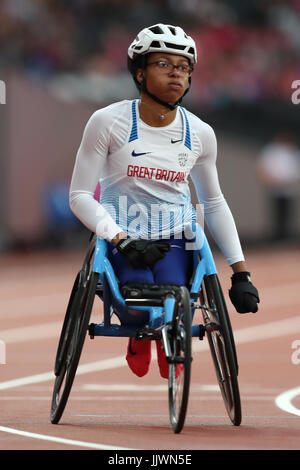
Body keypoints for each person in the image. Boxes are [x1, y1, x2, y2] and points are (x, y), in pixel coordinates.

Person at [69, 24, 260, 379]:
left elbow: (214, 203)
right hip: (122, 237)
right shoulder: (108, 122)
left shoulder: (200, 133)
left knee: (175, 302)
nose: (176, 72)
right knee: (137, 310)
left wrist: (240, 273)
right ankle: (140, 336)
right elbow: (79, 195)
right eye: (164, 63)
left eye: (184, 66)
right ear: (139, 73)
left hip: (176, 237)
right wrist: (120, 239)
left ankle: (163, 334)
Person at [257, 131, 300, 242]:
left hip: (289, 189)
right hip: (275, 188)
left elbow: (296, 169)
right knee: (277, 212)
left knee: (288, 212)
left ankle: (286, 235)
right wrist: (269, 179)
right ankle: (277, 236)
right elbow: (263, 167)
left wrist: (291, 180)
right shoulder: (271, 151)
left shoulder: (293, 151)